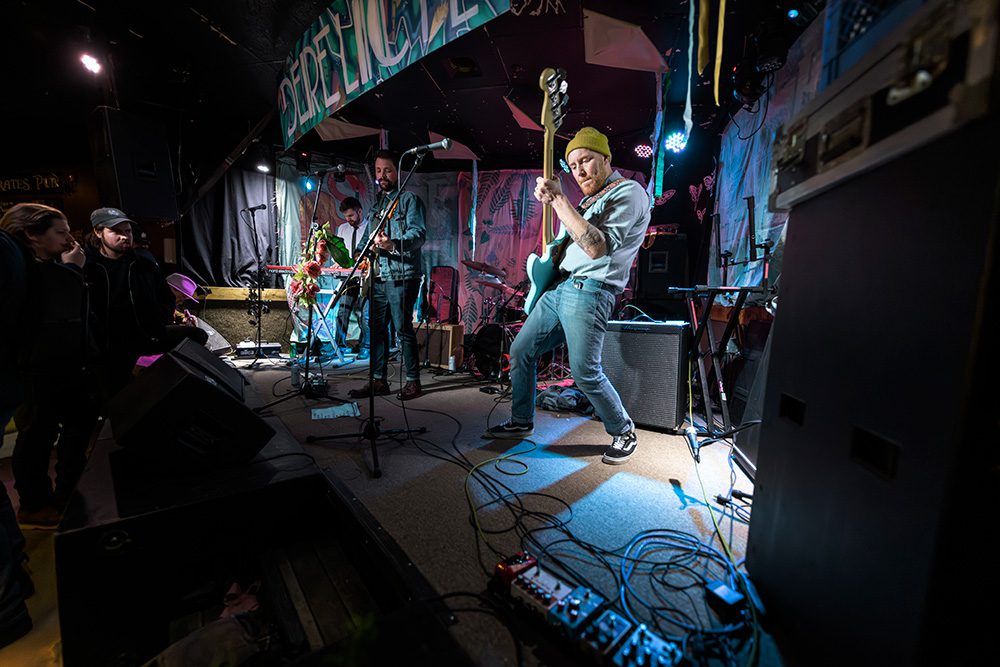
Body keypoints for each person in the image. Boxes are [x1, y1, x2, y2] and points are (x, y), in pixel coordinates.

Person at [483, 127, 651, 465]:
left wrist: (559, 199)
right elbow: (567, 245)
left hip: (591, 289)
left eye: (586, 160)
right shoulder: (590, 201)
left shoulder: (629, 192)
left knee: (584, 370)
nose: (580, 171)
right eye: (573, 165)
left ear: (606, 158)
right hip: (561, 287)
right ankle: (521, 420)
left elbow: (595, 246)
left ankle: (623, 430)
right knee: (521, 351)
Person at [1, 204, 98, 529]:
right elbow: (57, 316)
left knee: (78, 426)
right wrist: (72, 271)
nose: (69, 238)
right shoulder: (25, 271)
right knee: (36, 438)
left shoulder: (51, 266)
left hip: (67, 368)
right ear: (32, 234)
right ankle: (33, 504)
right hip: (36, 371)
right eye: (60, 231)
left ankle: (69, 491)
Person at [348, 150, 426, 401]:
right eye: (379, 171)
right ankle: (379, 380)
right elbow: (365, 239)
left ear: (397, 172)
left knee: (402, 327)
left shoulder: (409, 200)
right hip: (378, 277)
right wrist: (359, 254)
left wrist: (392, 244)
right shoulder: (377, 205)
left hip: (402, 275)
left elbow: (419, 235)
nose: (382, 175)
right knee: (377, 328)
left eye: (387, 170)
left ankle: (413, 381)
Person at [84, 207, 176, 398]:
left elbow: (166, 297)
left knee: (196, 337)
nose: (125, 236)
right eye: (116, 231)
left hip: (145, 339)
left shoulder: (144, 261)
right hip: (108, 349)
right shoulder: (88, 266)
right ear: (98, 232)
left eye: (127, 231)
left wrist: (157, 324)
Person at [334, 196, 370, 360]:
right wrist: (336, 263)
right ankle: (339, 346)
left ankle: (366, 347)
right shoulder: (342, 229)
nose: (348, 220)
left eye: (351, 216)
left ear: (360, 211)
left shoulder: (370, 227)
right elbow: (338, 252)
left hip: (365, 278)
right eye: (346, 216)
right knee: (342, 311)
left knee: (365, 314)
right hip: (347, 278)